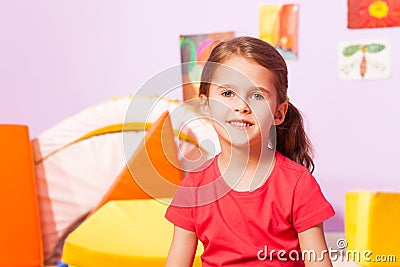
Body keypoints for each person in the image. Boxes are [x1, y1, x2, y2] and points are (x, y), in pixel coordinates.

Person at [165, 36, 335, 267]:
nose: (241, 106)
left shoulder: (298, 184)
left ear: (279, 113)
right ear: (205, 106)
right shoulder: (194, 188)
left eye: (257, 95)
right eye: (227, 94)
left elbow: (318, 262)